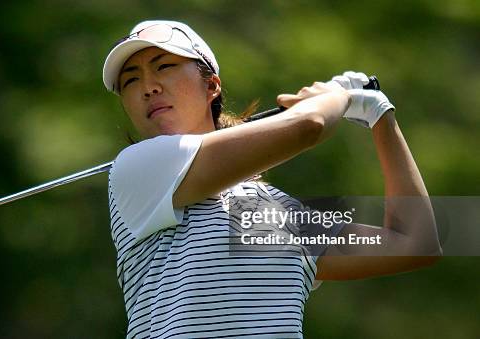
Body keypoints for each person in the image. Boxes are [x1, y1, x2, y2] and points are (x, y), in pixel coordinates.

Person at [102, 20, 442, 338]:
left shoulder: (270, 216)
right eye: (131, 80)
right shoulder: (138, 170)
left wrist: (380, 116)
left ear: (211, 86)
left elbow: (416, 243)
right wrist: (342, 98)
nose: (148, 87)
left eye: (164, 67)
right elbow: (309, 125)